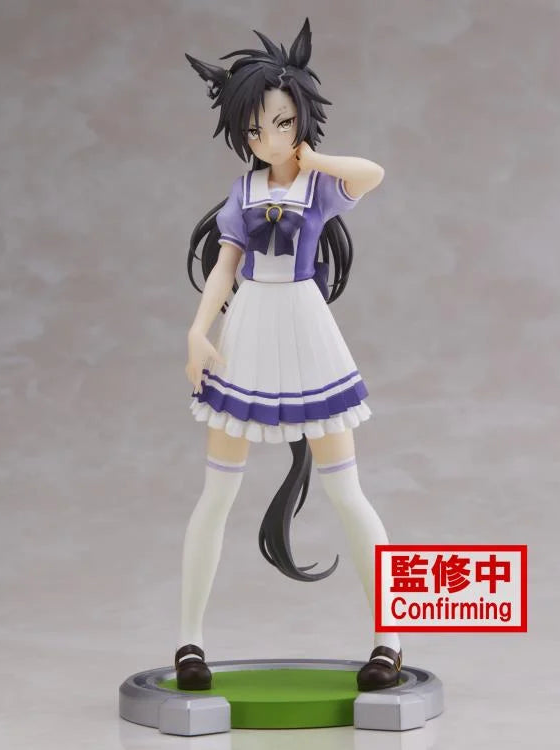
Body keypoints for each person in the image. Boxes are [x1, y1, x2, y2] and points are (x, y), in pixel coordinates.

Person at [177, 18, 402, 692]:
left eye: (280, 123)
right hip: (247, 332)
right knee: (216, 494)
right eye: (255, 129)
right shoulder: (242, 194)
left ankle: (389, 639)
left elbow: (373, 173)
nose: (268, 139)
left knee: (347, 492)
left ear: (300, 119)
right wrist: (198, 331)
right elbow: (225, 267)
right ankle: (189, 640)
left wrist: (313, 160)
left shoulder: (319, 186)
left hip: (306, 333)